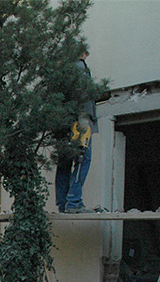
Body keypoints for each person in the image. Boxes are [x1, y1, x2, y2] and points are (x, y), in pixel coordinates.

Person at [55, 51, 97, 214]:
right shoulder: (80, 67)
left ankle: (62, 202)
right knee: (83, 159)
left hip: (64, 123)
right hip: (78, 123)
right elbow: (83, 94)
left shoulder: (61, 69)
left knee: (64, 161)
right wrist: (84, 118)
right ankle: (73, 201)